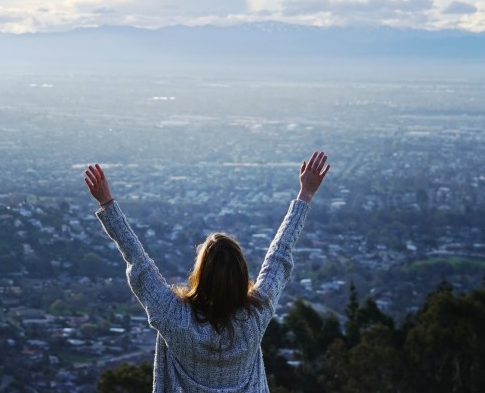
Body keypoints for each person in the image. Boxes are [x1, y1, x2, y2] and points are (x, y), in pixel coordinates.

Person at [84, 151, 330, 393]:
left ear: (200, 273)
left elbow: (139, 263)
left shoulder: (174, 317)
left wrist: (107, 204)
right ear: (241, 274)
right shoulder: (255, 317)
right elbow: (279, 257)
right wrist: (304, 195)